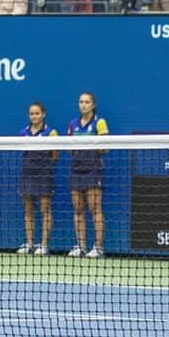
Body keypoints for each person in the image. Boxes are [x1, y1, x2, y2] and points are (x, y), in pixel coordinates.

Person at [66, 91, 108, 259]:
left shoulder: (100, 123)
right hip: (76, 171)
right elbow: (69, 148)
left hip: (93, 171)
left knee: (95, 209)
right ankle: (81, 246)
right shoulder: (72, 124)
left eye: (87, 102)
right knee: (78, 210)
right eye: (81, 102)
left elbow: (105, 147)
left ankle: (98, 247)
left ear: (93, 105)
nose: (83, 104)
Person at [17, 101, 57, 257]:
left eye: (37, 113)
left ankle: (44, 245)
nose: (34, 116)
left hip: (44, 175)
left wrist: (45, 166)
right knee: (28, 211)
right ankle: (30, 243)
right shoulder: (23, 133)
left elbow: (55, 155)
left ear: (43, 114)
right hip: (27, 174)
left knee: (45, 210)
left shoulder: (51, 132)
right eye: (32, 114)